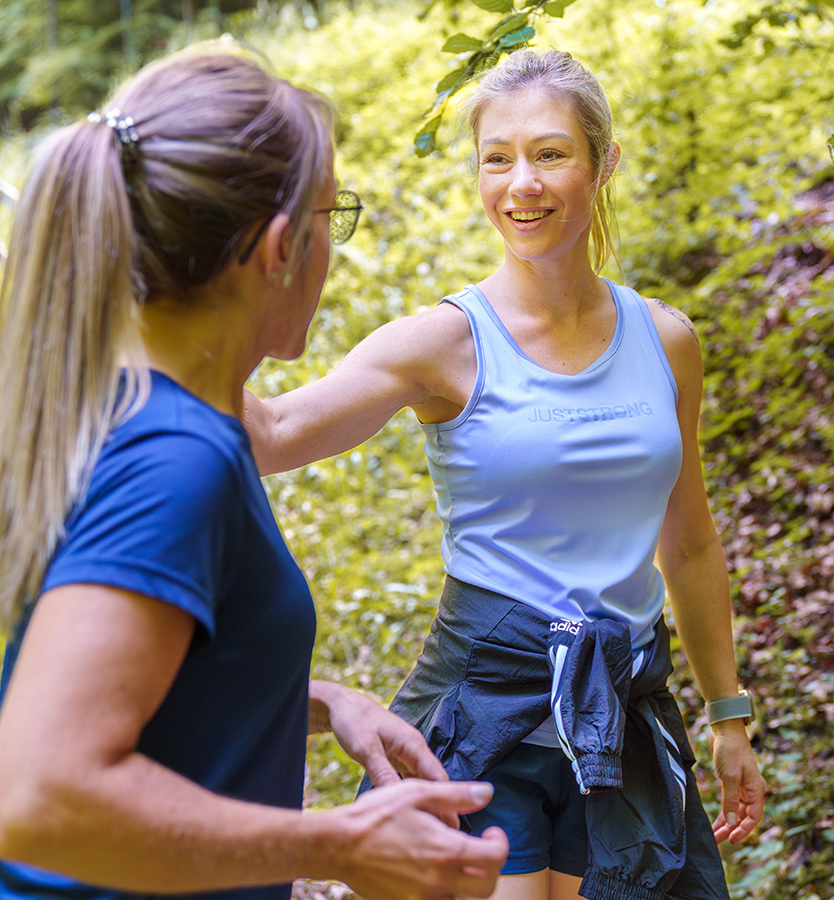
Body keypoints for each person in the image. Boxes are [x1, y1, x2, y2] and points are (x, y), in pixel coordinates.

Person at [243, 47, 768, 900]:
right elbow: (272, 431)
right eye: (498, 159)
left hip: (623, 714)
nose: (522, 183)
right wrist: (166, 306)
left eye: (550, 153)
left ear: (602, 163)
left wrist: (727, 714)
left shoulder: (667, 340)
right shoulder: (445, 343)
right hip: (485, 710)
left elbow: (693, 544)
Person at [0, 49, 510, 900]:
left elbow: (145, 677)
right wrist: (336, 844)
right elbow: (38, 791)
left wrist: (313, 702)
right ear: (281, 247)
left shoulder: (126, 410)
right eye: (330, 216)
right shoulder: (176, 461)